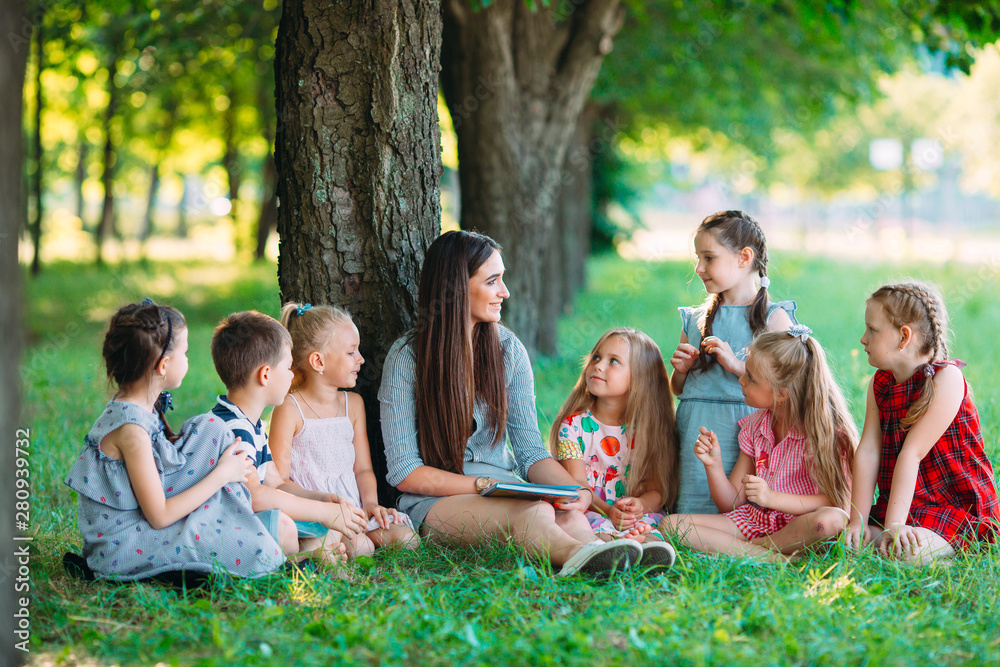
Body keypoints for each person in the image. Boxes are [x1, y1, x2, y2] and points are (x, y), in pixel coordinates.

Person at [380, 230, 643, 576]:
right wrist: (485, 486)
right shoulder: (406, 358)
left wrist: (574, 490)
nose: (505, 292)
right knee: (533, 511)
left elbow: (531, 451)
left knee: (565, 510)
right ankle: (578, 556)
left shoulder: (508, 350)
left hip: (506, 488)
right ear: (457, 288)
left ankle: (604, 553)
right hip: (435, 502)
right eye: (493, 281)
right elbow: (405, 473)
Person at [64, 300, 286, 580]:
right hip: (126, 547)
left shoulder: (140, 406)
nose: (188, 359)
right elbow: (159, 516)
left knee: (213, 428)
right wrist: (221, 475)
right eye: (186, 352)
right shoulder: (132, 431)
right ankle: (249, 547)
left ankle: (233, 521)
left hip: (146, 523)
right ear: (164, 365)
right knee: (225, 543)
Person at [662, 327, 857, 559]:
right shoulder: (756, 427)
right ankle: (774, 558)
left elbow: (838, 502)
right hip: (755, 521)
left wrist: (772, 498)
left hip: (800, 525)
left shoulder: (826, 436)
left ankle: (756, 549)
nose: (741, 379)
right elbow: (732, 503)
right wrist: (713, 464)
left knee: (830, 521)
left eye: (751, 377)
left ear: (782, 394)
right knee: (670, 525)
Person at [845, 282, 1000, 564]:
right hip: (905, 502)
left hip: (952, 505)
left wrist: (893, 528)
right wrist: (857, 521)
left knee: (899, 552)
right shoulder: (880, 384)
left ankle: (950, 552)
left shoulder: (947, 379)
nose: (863, 339)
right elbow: (868, 451)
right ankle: (902, 537)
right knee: (853, 539)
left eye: (872, 330)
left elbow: (912, 453)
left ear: (903, 337)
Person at [208, 310, 369, 566]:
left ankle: (306, 556)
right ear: (265, 375)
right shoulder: (234, 430)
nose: (293, 375)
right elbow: (256, 495)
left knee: (334, 544)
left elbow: (276, 482)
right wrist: (322, 512)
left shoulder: (252, 425)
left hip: (244, 522)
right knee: (287, 529)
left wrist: (319, 498)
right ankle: (299, 561)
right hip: (223, 529)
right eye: (287, 367)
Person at [669, 210, 798, 514]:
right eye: (697, 259)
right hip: (696, 422)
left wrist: (738, 366)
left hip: (745, 426)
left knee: (737, 503)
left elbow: (788, 386)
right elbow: (678, 389)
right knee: (692, 504)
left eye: (709, 258)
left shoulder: (772, 317)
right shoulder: (696, 318)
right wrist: (681, 371)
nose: (699, 268)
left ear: (744, 257)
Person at [270, 303, 419, 557]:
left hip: (355, 511)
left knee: (407, 539)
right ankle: (329, 547)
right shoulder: (289, 409)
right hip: (313, 514)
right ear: (318, 361)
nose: (361, 359)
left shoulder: (353, 405)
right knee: (361, 548)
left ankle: (355, 538)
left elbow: (362, 469)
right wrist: (321, 501)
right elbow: (279, 483)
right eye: (351, 352)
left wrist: (371, 504)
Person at [549, 327, 678, 568]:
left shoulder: (649, 431)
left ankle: (645, 547)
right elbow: (579, 486)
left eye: (613, 361)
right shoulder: (572, 427)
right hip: (591, 508)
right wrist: (608, 510)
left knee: (647, 525)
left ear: (640, 378)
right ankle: (611, 551)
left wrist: (639, 506)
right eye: (596, 357)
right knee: (581, 521)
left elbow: (656, 489)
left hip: (629, 514)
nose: (598, 365)